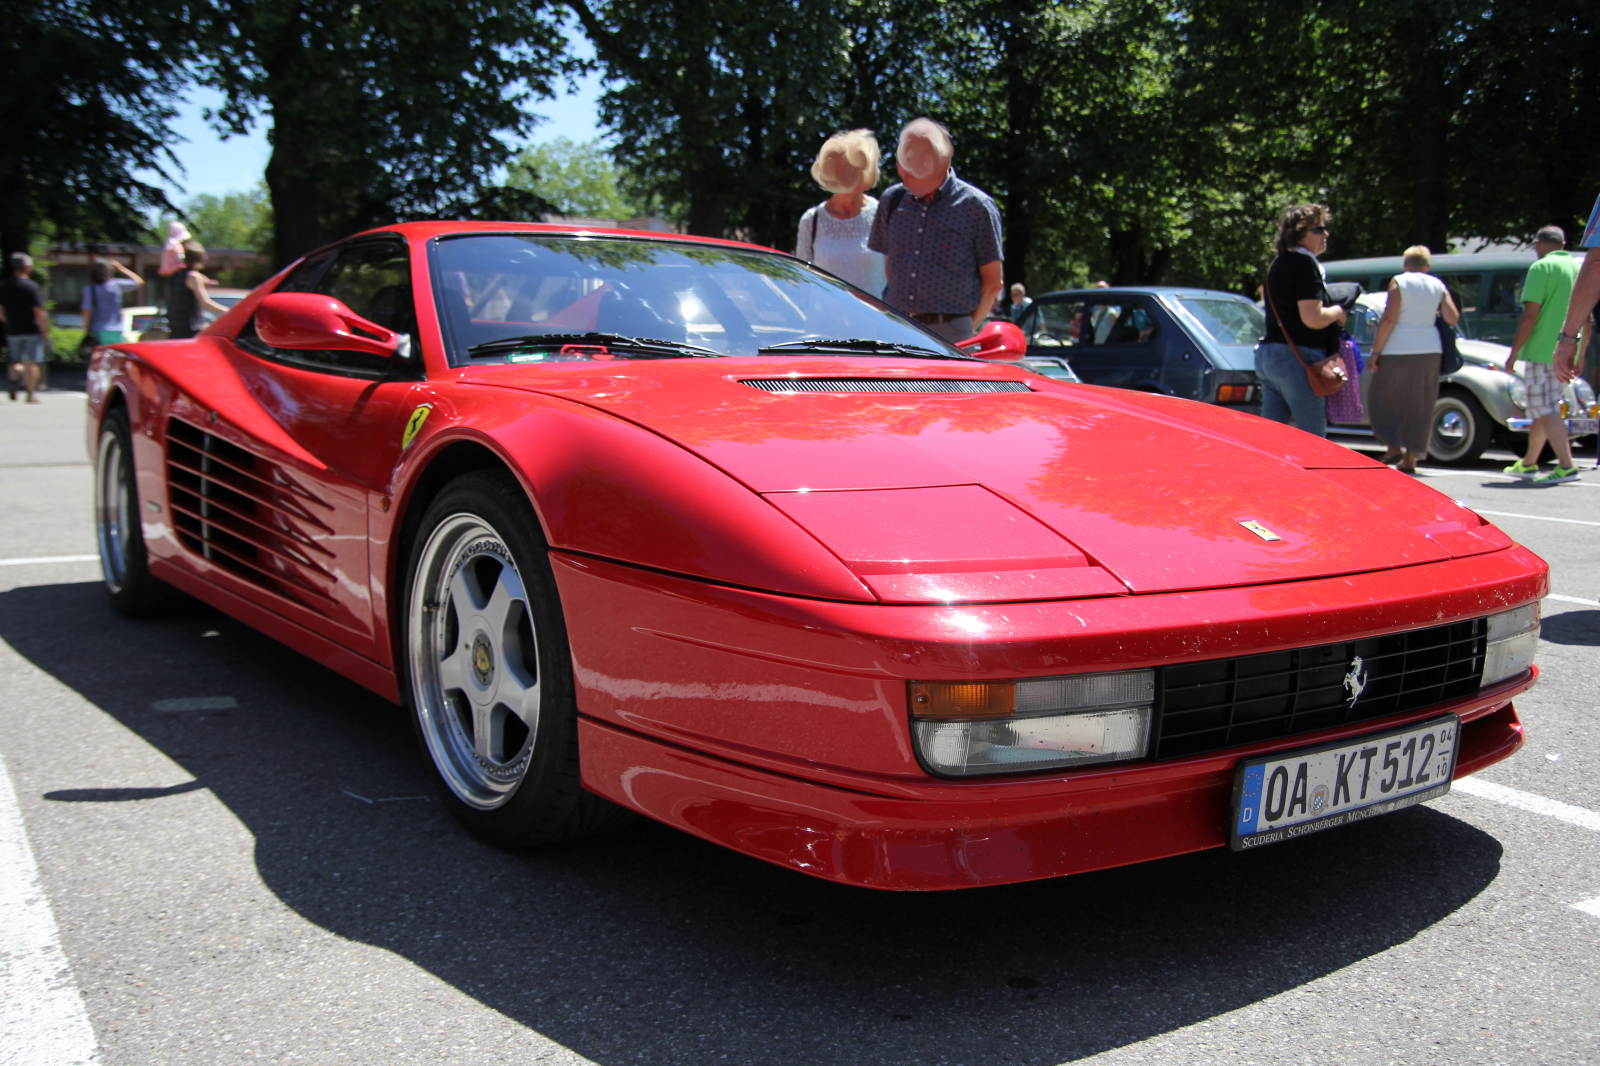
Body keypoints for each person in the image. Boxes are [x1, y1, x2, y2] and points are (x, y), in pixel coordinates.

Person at [867, 117, 1004, 345]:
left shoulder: (976, 206)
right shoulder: (892, 200)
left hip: (951, 333)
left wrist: (965, 329)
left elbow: (993, 283)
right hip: (895, 328)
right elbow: (892, 268)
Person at [1255, 203, 1347, 437]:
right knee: (1313, 439)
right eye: (1318, 230)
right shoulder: (1305, 265)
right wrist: (1338, 311)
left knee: (1270, 440)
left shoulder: (1278, 263)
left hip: (1270, 355)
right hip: (1298, 357)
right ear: (1298, 234)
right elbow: (1313, 318)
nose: (1325, 234)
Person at [1502, 225, 1583, 484]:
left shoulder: (1541, 268)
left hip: (1542, 350)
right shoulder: (1579, 266)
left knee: (1544, 407)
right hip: (1569, 348)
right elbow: (1589, 317)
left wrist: (1514, 353)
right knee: (1542, 407)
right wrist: (1580, 354)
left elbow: (1530, 314)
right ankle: (1528, 463)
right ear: (1563, 242)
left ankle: (1567, 466)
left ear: (1538, 243)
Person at [1367, 245, 1458, 473]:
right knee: (1420, 404)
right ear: (1427, 266)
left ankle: (1392, 446)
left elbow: (1389, 318)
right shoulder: (1438, 285)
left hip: (1397, 349)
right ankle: (1411, 457)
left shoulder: (1399, 281)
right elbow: (1452, 317)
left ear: (1405, 264)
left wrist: (1376, 352)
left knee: (1383, 399)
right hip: (1429, 350)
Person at [796, 130, 887, 298]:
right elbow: (803, 282)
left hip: (873, 321)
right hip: (824, 320)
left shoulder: (883, 215)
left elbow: (895, 278)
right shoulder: (811, 221)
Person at [0, 253, 51, 403]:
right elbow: (38, 311)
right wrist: (44, 329)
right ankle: (30, 394)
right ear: (27, 267)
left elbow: (0, 309)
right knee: (32, 363)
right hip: (31, 330)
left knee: (15, 360)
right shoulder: (31, 286)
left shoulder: (4, 286)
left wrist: (5, 321)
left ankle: (14, 381)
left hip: (12, 330)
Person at [167, 242, 229, 341]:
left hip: (177, 327)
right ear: (198, 258)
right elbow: (205, 302)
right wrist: (227, 311)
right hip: (190, 327)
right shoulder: (193, 276)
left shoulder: (179, 274)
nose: (206, 258)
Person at [80, 259, 144, 345]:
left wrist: (87, 331)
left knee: (101, 356)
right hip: (117, 330)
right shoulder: (116, 285)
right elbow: (139, 282)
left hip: (98, 330)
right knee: (118, 355)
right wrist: (121, 268)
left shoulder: (90, 289)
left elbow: (87, 311)